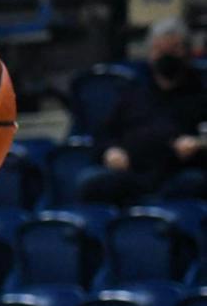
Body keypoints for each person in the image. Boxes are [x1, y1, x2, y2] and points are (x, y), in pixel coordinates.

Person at [79, 16, 206, 204]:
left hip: (177, 172)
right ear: (150, 54)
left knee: (195, 183)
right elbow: (105, 134)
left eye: (174, 49)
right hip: (132, 171)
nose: (166, 55)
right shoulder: (134, 93)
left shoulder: (201, 95)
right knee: (90, 181)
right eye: (159, 50)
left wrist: (198, 144)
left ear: (188, 52)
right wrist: (111, 151)